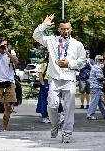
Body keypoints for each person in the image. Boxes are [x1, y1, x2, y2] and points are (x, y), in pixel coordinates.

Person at [33, 14, 86, 143]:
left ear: (71, 29)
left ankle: (67, 133)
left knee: (69, 108)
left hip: (69, 79)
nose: (65, 31)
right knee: (51, 105)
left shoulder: (77, 44)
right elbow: (36, 36)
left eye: (67, 29)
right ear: (59, 29)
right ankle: (56, 124)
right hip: (55, 79)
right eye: (63, 29)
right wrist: (45, 24)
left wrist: (70, 64)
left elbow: (82, 61)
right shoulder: (52, 40)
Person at [86, 55, 105, 120]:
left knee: (101, 101)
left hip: (96, 87)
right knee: (94, 101)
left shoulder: (95, 67)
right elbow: (99, 78)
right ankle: (90, 115)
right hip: (96, 87)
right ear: (96, 60)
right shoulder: (97, 68)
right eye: (100, 59)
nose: (102, 61)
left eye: (102, 59)